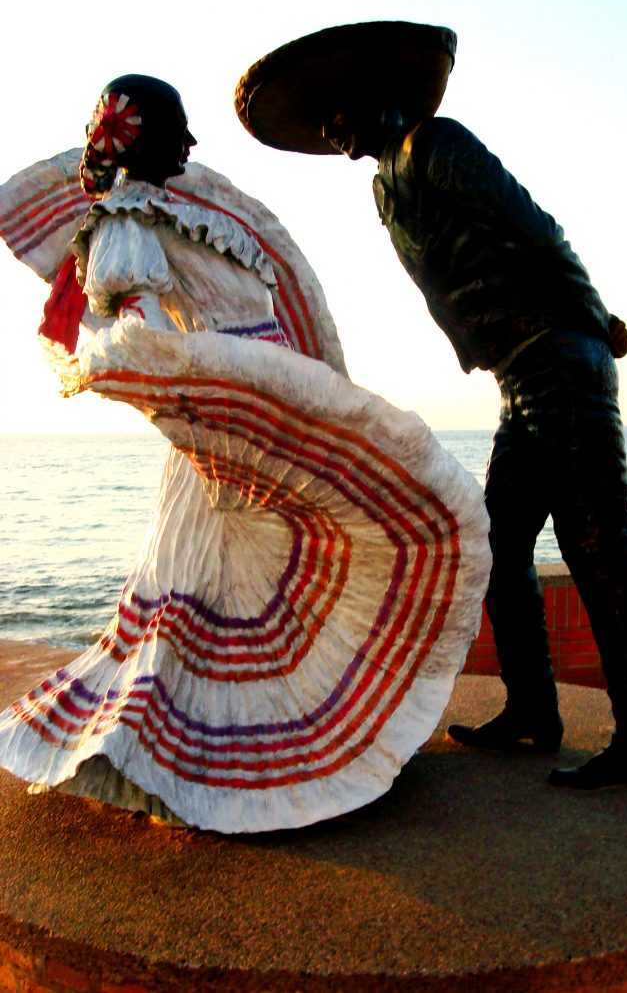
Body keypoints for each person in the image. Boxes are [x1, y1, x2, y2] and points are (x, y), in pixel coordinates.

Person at [0, 74, 491, 831]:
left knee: (268, 583)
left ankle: (268, 752)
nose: (192, 145)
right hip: (225, 423)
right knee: (216, 594)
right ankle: (181, 765)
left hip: (269, 406)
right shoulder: (126, 221)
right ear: (145, 139)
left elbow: (273, 307)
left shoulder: (199, 211)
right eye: (177, 131)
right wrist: (199, 387)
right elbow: (122, 326)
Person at [235, 22, 627, 789]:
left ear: (381, 98)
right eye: (323, 119)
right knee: (496, 547)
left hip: (560, 361)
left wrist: (597, 319)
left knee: (598, 547)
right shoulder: (387, 186)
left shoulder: (438, 146)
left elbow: (538, 230)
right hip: (518, 377)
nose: (331, 126)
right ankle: (535, 714)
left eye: (340, 109)